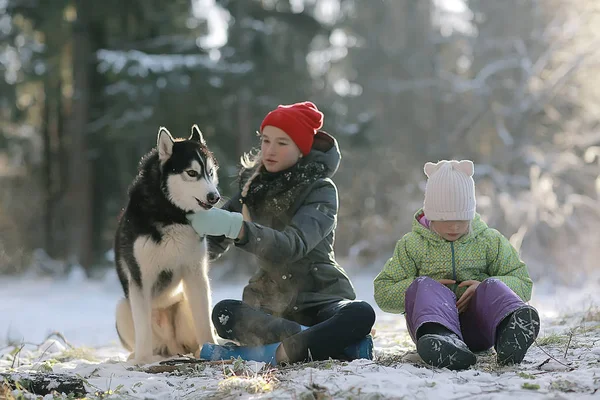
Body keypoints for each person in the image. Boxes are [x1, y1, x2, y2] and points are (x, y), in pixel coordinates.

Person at [186, 101, 376, 365]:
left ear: (301, 150)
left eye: (282, 143)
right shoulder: (250, 189)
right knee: (224, 313)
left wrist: (237, 228)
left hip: (322, 300)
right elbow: (211, 246)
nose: (269, 150)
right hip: (271, 307)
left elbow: (293, 245)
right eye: (265, 140)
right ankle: (330, 344)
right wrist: (180, 231)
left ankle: (272, 353)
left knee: (360, 313)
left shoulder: (321, 189)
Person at [373, 160, 540, 370]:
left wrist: (481, 285)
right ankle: (443, 338)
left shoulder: (489, 240)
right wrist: (423, 289)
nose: (454, 226)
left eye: (461, 219)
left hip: (481, 330)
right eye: (445, 219)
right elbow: (383, 292)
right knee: (423, 285)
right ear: (431, 215)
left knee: (492, 285)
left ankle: (509, 331)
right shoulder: (412, 244)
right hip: (433, 331)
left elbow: (523, 283)